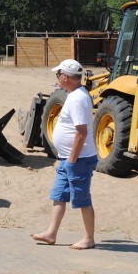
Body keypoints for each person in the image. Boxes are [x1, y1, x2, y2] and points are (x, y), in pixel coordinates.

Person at [31, 59, 99, 250]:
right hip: (68, 158)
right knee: (59, 195)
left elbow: (82, 132)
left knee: (82, 197)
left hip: (78, 159)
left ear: (65, 77)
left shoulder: (78, 98)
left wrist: (72, 159)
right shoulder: (74, 94)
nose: (57, 78)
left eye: (58, 75)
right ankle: (51, 233)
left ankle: (88, 238)